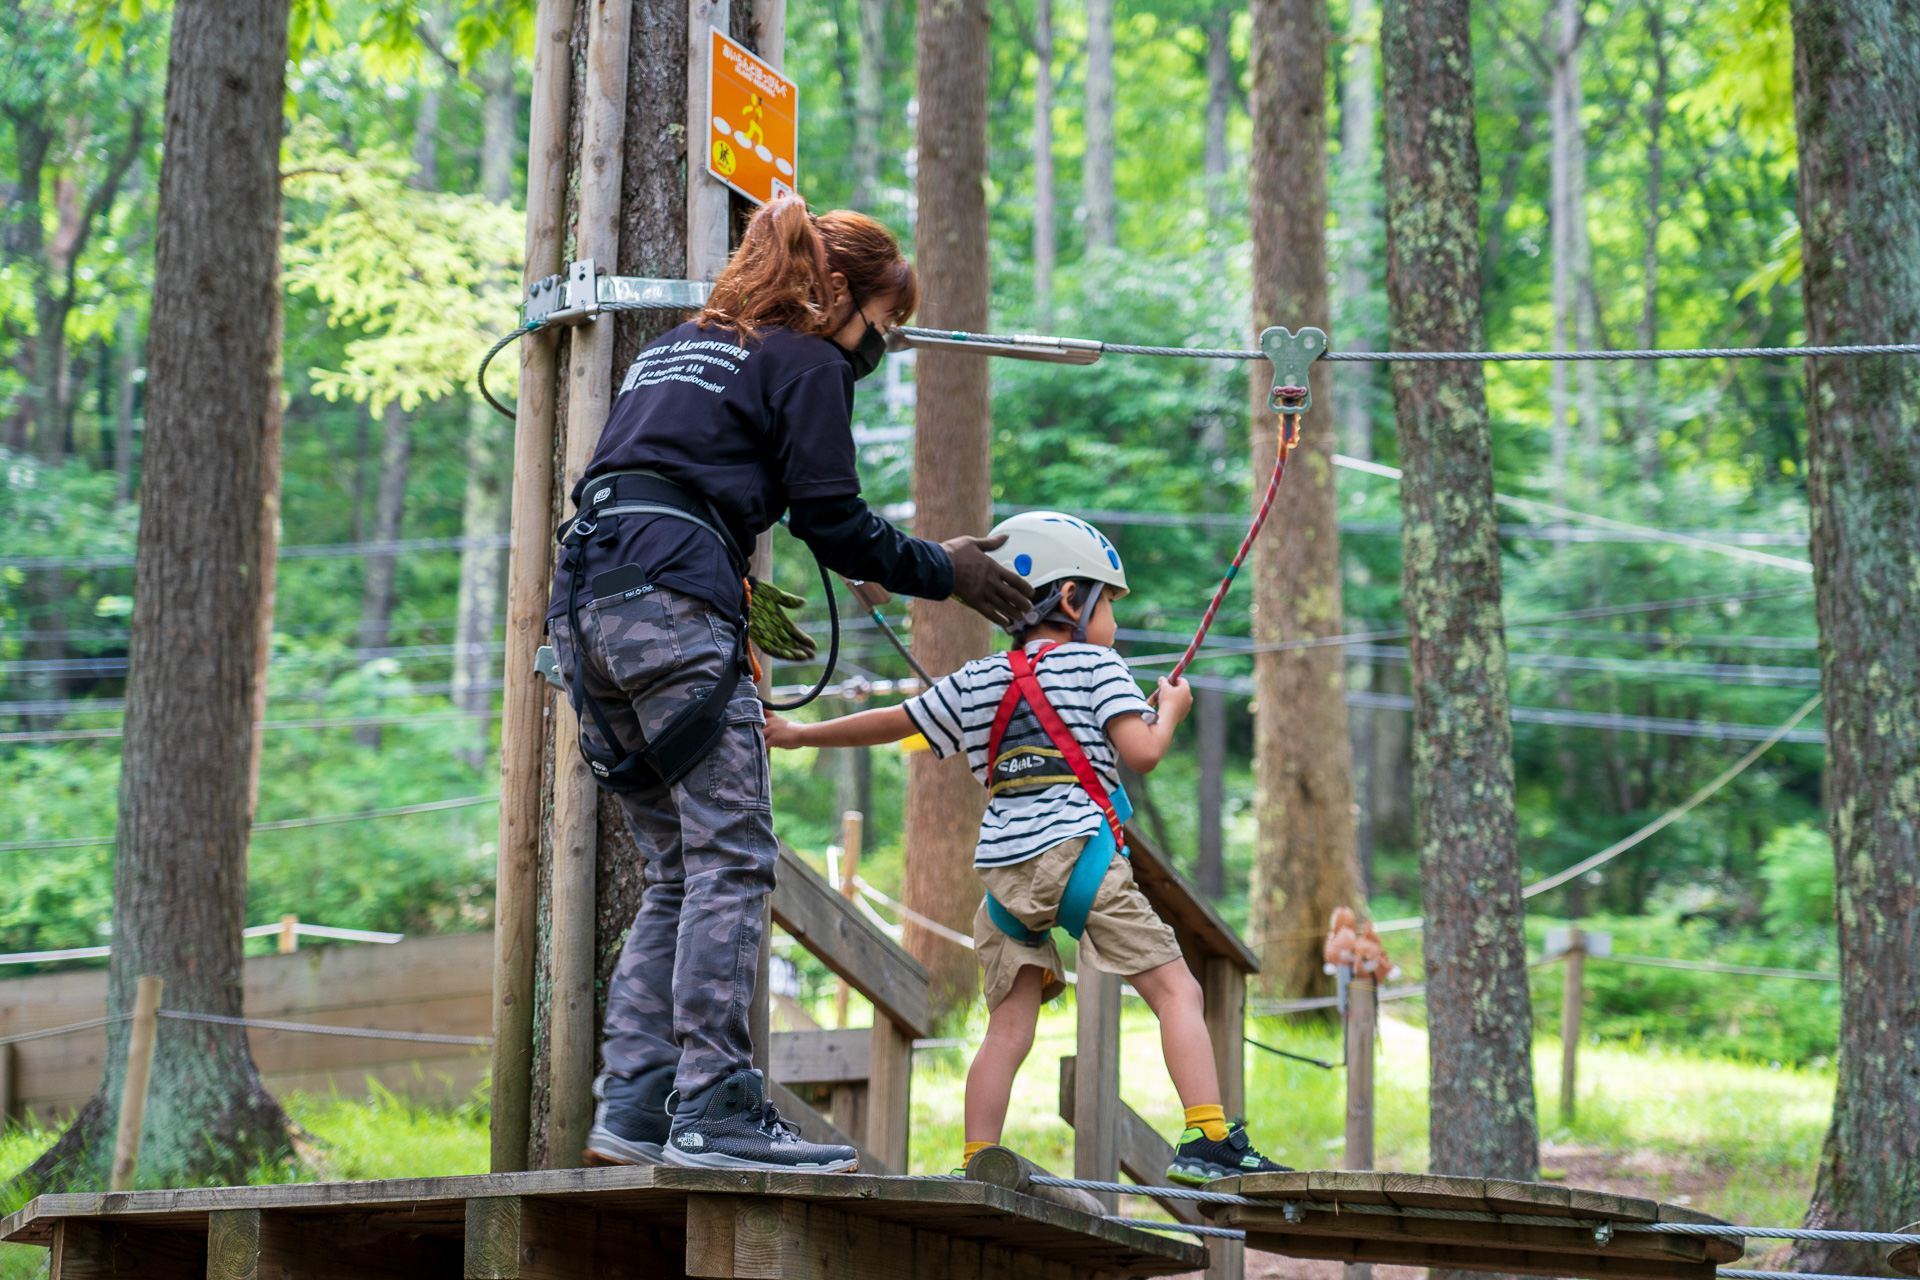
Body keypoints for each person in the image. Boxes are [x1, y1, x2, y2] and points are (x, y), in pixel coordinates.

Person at [551, 195, 1032, 1173]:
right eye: (885, 326)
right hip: (674, 608)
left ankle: (634, 1108)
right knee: (731, 861)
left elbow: (678, 472)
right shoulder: (808, 358)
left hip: (587, 613)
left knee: (679, 870)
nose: (878, 346)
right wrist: (955, 571)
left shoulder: (684, 346)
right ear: (841, 292)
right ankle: (716, 1106)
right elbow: (836, 522)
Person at [764, 512, 1290, 1184]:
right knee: (1175, 990)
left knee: (1007, 1027)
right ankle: (1207, 1137)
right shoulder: (1100, 667)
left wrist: (800, 735)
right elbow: (1144, 752)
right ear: (1071, 599)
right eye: (1109, 605)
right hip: (1083, 858)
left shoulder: (979, 679)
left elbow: (894, 723)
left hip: (1005, 873)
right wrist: (1172, 714)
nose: (1116, 627)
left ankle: (976, 1156)